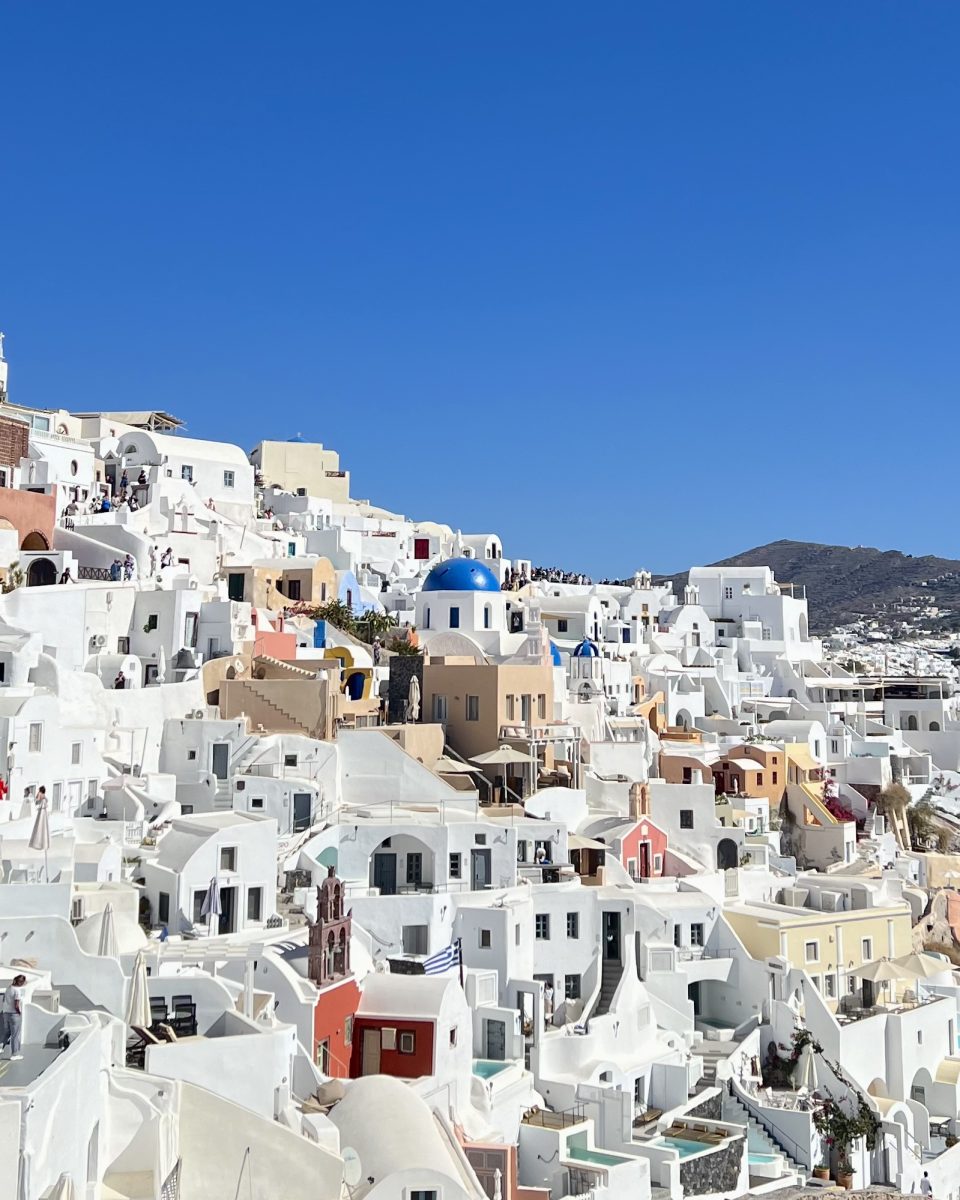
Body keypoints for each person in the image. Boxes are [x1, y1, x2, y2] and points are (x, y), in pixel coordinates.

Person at [0, 974, 26, 1061]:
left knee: (6, 1032)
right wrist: (19, 1012)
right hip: (14, 1014)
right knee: (15, 1034)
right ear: (21, 982)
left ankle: (0, 1047)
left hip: (5, 1013)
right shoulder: (17, 991)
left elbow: (4, 1000)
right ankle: (15, 1054)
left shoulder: (9, 988)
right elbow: (16, 1005)